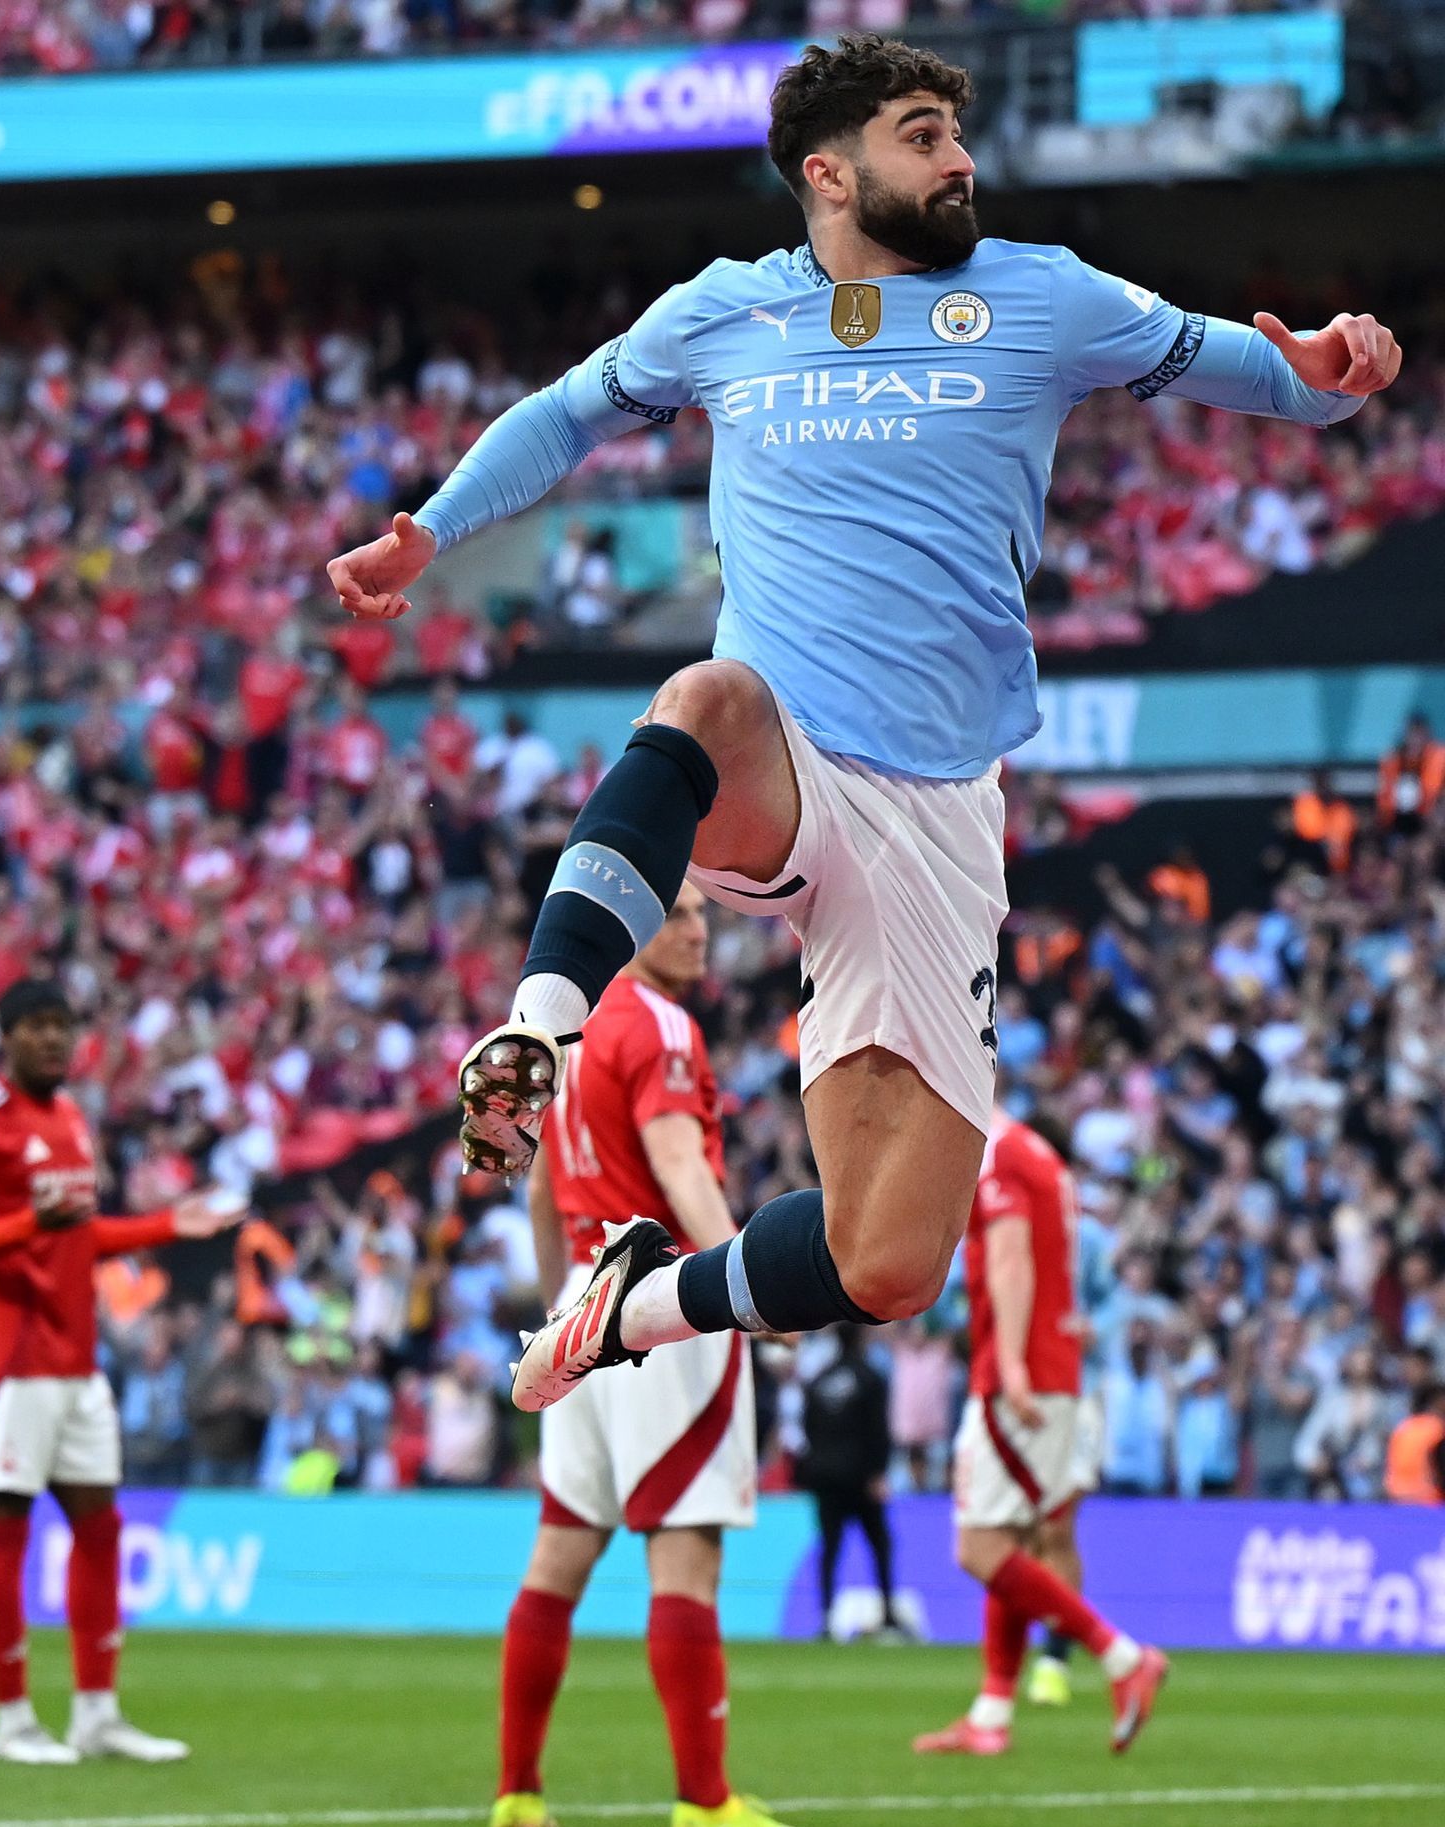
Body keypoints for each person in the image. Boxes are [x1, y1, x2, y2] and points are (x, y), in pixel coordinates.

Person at [324, 35, 1404, 1412]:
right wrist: (433, 531)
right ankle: (538, 1024)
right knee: (703, 700)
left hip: (943, 811)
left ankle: (638, 1298)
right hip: (786, 765)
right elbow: (566, 414)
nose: (959, 159)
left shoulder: (1046, 297)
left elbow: (1248, 371)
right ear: (829, 173)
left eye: (955, 133)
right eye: (922, 134)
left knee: (887, 1261)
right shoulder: (724, 312)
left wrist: (1321, 368)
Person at [496, 886, 784, 1827]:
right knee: (685, 1560)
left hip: (582, 1302)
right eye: (685, 912)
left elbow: (541, 1183)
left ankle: (518, 1794)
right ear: (637, 925)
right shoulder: (659, 1023)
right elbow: (678, 1167)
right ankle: (705, 1802)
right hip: (661, 1300)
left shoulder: (564, 1031)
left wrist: (555, 1315)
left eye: (705, 915)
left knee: (558, 1555)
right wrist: (752, 1282)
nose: (703, 930)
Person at [0, 979, 239, 1767]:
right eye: (35, 1025)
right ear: (5, 1034)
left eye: (62, 1026)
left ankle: (97, 1713)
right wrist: (34, 1220)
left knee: (100, 1527)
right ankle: (13, 1721)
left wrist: (171, 1223)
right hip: (4, 1360)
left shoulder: (71, 1117)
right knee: (6, 1526)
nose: (52, 1040)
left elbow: (79, 1235)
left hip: (75, 1356)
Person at [913, 1115, 1168, 1757]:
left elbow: (1011, 1255)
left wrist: (1012, 1365)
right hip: (1054, 1370)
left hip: (1021, 1373)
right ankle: (992, 1715)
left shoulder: (997, 1153)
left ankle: (1123, 1657)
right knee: (1013, 1542)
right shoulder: (1041, 1156)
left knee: (978, 1548)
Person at [795, 1322, 900, 1642]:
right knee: (880, 1545)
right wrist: (879, 1472)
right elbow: (879, 1430)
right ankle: (887, 1616)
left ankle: (827, 1618)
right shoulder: (871, 1379)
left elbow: (808, 1429)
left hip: (826, 1478)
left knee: (830, 1547)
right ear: (862, 1337)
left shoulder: (818, 1381)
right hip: (861, 1479)